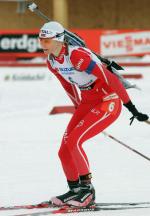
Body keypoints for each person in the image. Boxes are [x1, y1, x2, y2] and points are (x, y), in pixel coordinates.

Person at [38, 21, 149, 207]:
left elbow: (110, 78)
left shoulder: (77, 56)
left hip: (107, 101)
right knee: (64, 149)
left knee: (74, 142)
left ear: (59, 40)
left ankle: (87, 191)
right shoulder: (52, 62)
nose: (42, 45)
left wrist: (132, 108)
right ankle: (74, 189)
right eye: (40, 41)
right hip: (88, 101)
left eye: (46, 41)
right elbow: (68, 85)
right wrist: (78, 108)